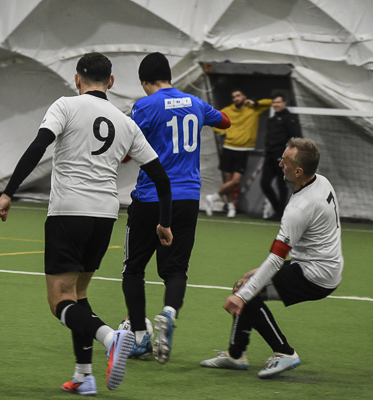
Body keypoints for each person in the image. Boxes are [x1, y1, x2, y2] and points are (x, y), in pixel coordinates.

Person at [0, 52, 173, 395]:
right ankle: (84, 375)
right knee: (78, 294)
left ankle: (111, 337)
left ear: (77, 79)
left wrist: (7, 193)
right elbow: (162, 179)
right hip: (105, 216)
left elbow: (38, 147)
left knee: (59, 300)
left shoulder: (65, 106)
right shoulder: (126, 123)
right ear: (111, 82)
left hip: (69, 212)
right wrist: (164, 222)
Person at [200, 138, 343, 379]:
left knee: (246, 291)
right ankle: (236, 354)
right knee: (245, 285)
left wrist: (242, 296)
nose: (280, 164)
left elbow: (277, 259)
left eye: (285, 161)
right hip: (321, 265)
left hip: (314, 275)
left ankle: (284, 352)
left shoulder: (299, 208)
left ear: (298, 171)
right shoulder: (321, 181)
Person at [122, 52, 230, 364]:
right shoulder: (195, 102)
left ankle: (140, 338)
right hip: (187, 198)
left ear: (145, 81)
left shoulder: (145, 105)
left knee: (134, 268)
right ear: (168, 76)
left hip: (151, 196)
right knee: (176, 269)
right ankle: (169, 312)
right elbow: (225, 121)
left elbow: (127, 150)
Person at [205, 89, 271, 217]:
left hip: (243, 150)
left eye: (238, 96)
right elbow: (211, 119)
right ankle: (231, 207)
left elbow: (270, 103)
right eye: (234, 96)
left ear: (244, 96)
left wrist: (256, 102)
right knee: (228, 180)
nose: (236, 98)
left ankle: (213, 197)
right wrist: (222, 132)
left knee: (235, 181)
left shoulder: (253, 109)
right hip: (228, 148)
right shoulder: (228, 110)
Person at [260, 93, 301, 221]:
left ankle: (280, 214)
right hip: (269, 156)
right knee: (264, 183)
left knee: (281, 185)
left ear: (284, 103)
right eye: (274, 102)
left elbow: (296, 138)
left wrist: (289, 156)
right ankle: (279, 210)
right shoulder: (271, 120)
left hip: (282, 157)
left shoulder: (290, 119)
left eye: (278, 102)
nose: (276, 105)